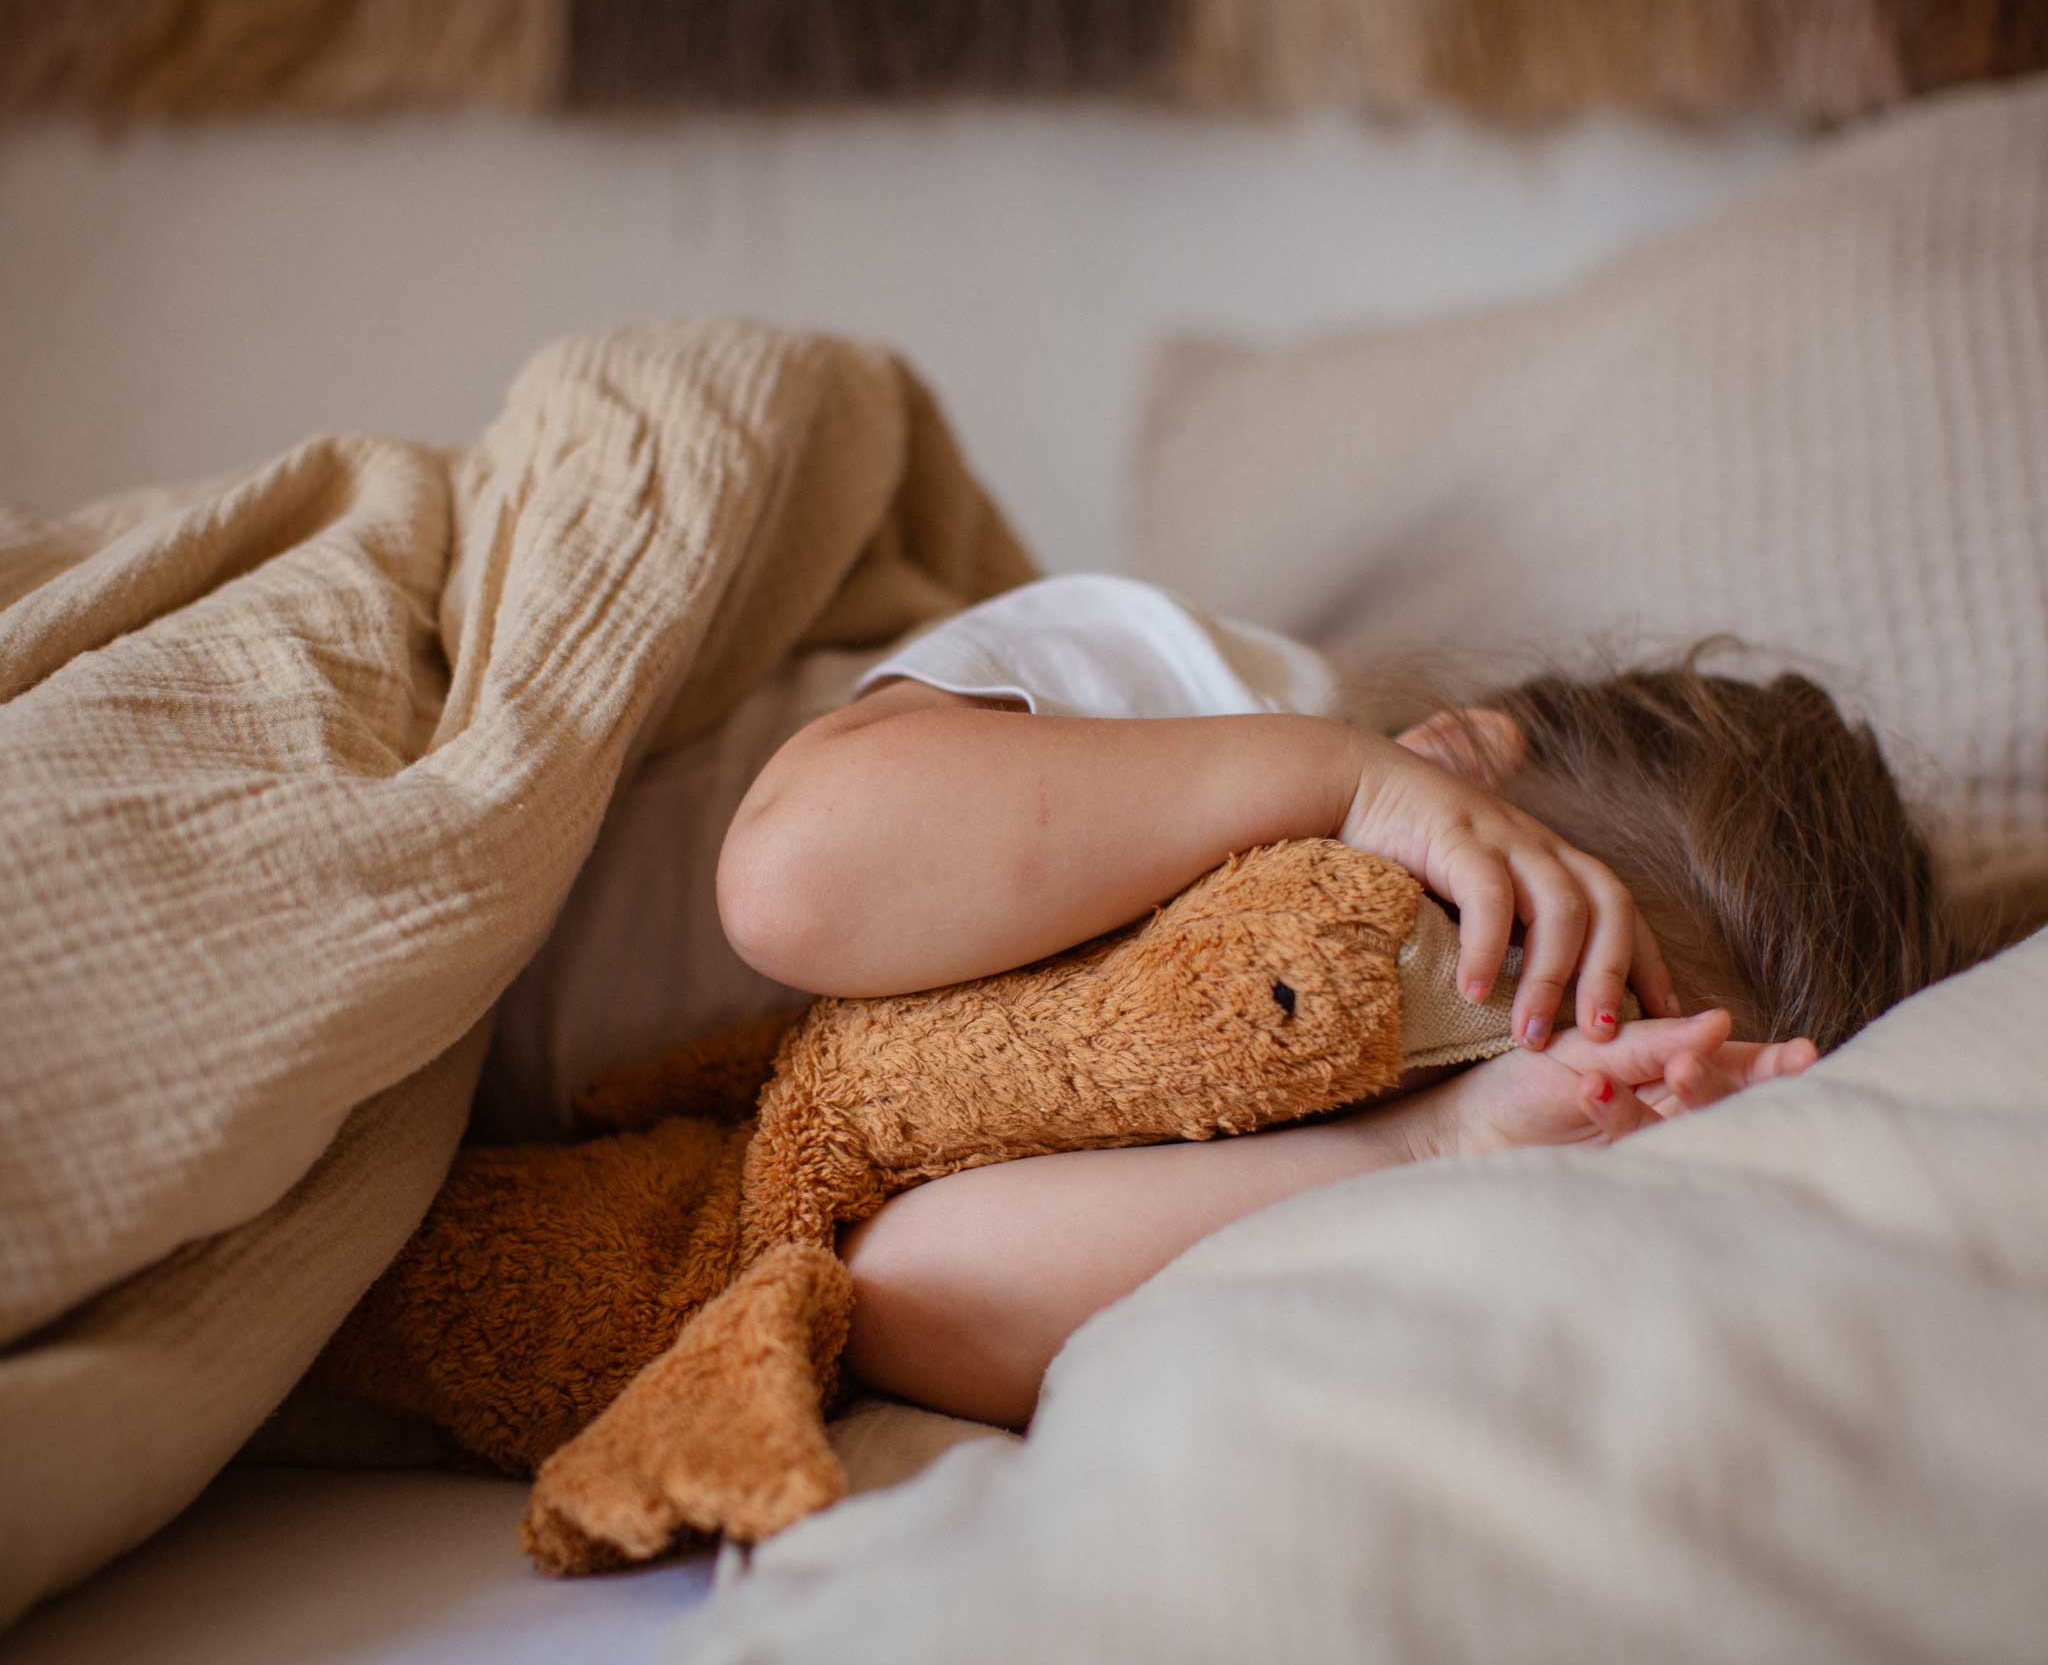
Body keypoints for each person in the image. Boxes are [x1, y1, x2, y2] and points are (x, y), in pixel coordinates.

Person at [484, 572, 1966, 1428]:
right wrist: (1340, 775)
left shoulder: (1406, 1157)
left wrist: (1437, 1149)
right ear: (1456, 765)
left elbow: (911, 1287)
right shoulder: (1173, 690)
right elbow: (790, 877)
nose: (1361, 1068)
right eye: (1452, 989)